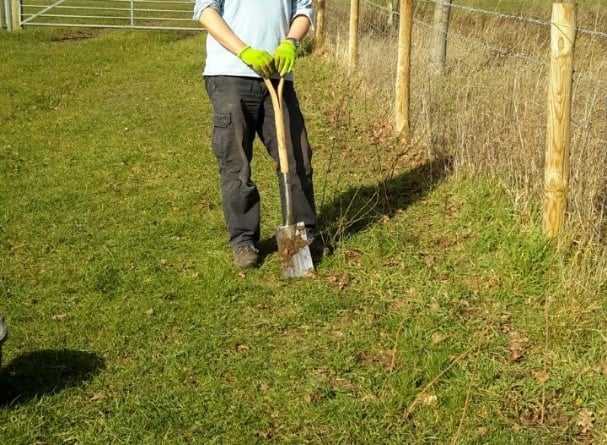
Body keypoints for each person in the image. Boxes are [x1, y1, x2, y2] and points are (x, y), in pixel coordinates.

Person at [193, 0, 317, 269]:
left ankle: (301, 238)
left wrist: (291, 42)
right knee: (235, 162)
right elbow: (205, 11)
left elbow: (303, 11)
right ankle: (244, 241)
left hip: (278, 75)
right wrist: (244, 50)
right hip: (230, 74)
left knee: (297, 157)